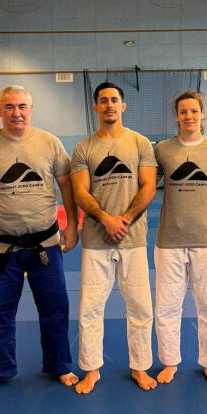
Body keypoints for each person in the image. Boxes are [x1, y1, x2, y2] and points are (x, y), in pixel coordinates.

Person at [0, 85, 79, 395]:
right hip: (1, 247)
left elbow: (67, 186)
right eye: (10, 106)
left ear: (31, 109)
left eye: (22, 106)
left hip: (46, 244)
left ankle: (59, 365)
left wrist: (72, 225)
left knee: (55, 308)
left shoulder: (49, 143)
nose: (17, 112)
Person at [70, 82, 157, 393]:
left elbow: (148, 186)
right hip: (96, 239)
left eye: (114, 100)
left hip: (133, 238)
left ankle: (140, 367)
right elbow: (80, 192)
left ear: (123, 106)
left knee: (140, 307)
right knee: (90, 308)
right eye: (104, 100)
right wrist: (106, 220)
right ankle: (92, 369)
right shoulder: (83, 148)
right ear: (96, 107)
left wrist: (125, 219)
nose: (109, 105)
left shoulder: (140, 142)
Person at [154, 90, 207, 385]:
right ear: (177, 116)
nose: (189, 116)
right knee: (166, 308)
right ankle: (169, 362)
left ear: (202, 115)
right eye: (183, 112)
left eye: (194, 111)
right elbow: (146, 185)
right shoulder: (163, 150)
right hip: (169, 240)